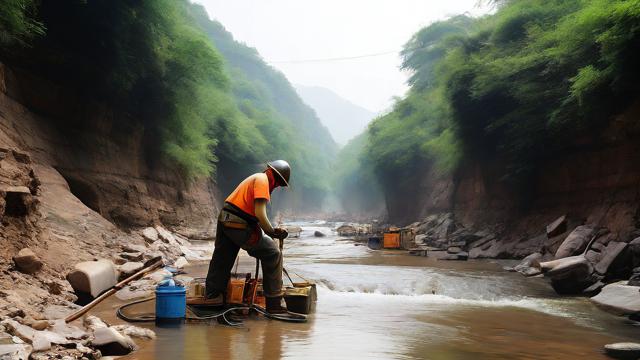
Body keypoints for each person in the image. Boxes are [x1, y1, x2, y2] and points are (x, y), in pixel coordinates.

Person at [205, 160, 291, 314]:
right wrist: (272, 232)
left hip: (226, 218)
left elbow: (254, 214)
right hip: (239, 223)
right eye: (279, 183)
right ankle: (273, 303)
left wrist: (269, 230)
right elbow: (260, 213)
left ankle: (213, 299)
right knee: (273, 254)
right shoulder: (263, 180)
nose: (277, 186)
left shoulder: (256, 178)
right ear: (275, 176)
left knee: (222, 260)